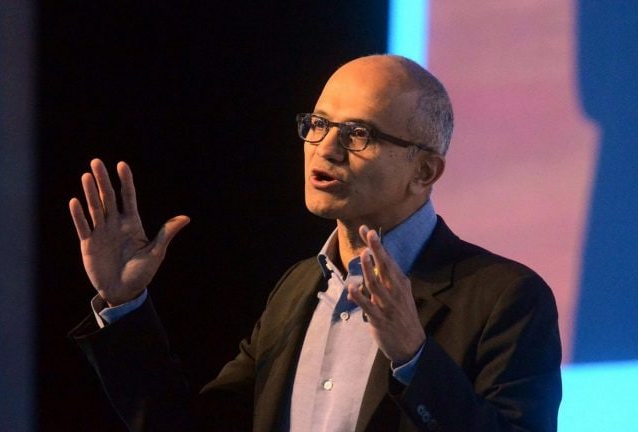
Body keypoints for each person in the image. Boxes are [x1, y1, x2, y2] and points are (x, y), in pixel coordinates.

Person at [68, 54, 562, 432]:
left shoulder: (505, 298)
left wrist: (414, 357)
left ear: (425, 170)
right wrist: (125, 305)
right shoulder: (298, 288)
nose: (325, 148)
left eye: (359, 133)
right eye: (319, 125)